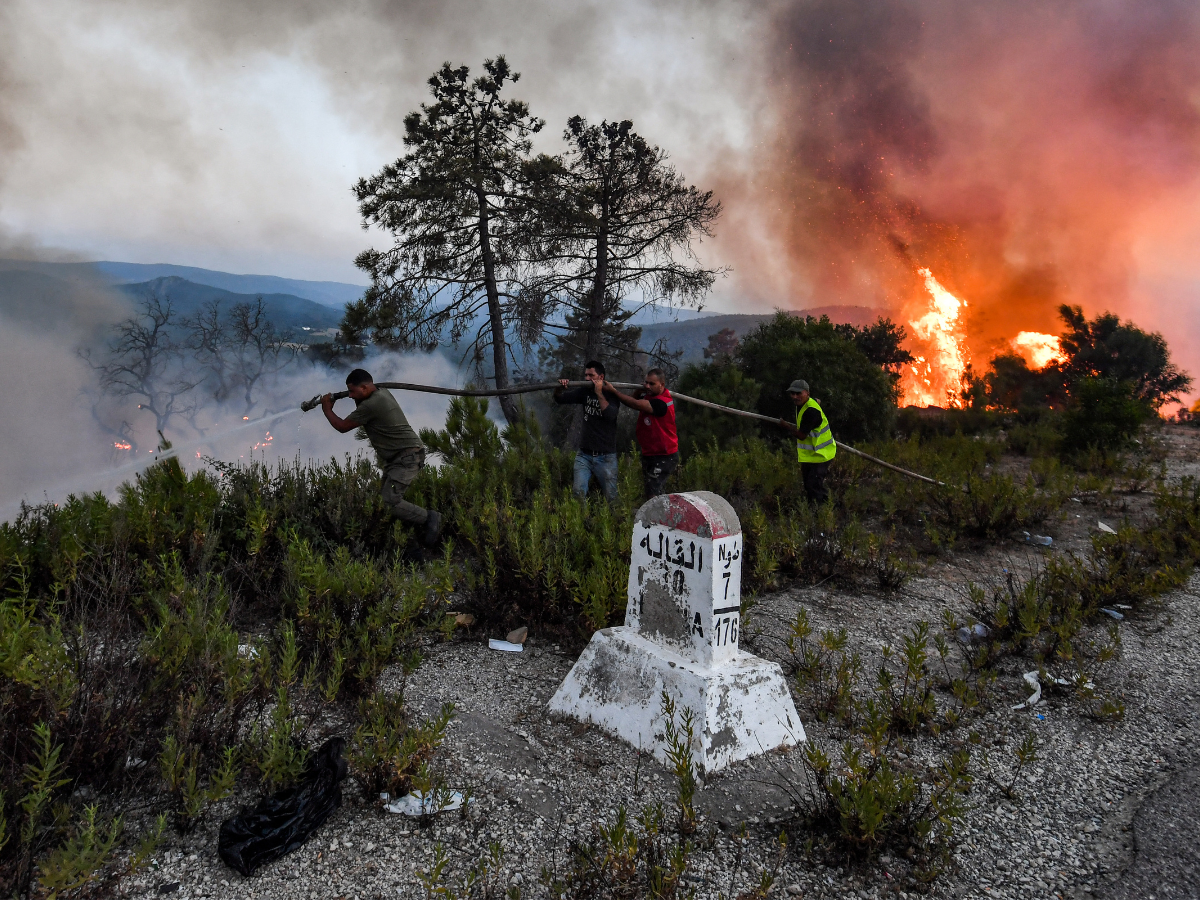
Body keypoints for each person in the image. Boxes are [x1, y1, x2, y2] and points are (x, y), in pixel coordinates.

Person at [320, 369, 443, 545]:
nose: (350, 396)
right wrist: (355, 396)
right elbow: (361, 406)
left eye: (353, 391)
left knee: (389, 502)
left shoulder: (372, 404)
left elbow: (342, 426)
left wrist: (327, 408)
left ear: (365, 387)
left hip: (407, 458)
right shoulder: (381, 392)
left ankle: (429, 518)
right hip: (399, 458)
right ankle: (405, 540)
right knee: (382, 502)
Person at [605, 368, 678, 497]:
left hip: (664, 455)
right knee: (651, 489)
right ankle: (659, 514)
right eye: (646, 383)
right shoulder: (649, 396)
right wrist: (639, 391)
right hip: (650, 453)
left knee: (654, 491)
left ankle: (659, 516)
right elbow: (633, 400)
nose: (647, 386)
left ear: (662, 385)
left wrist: (614, 391)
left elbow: (635, 404)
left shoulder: (662, 403)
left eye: (652, 384)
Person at [554, 360, 620, 501]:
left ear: (601, 377)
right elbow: (560, 399)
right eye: (586, 375)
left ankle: (616, 521)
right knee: (578, 493)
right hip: (584, 455)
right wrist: (559, 388)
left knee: (611, 498)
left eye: (591, 375)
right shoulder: (584, 392)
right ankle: (581, 521)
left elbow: (610, 414)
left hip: (606, 456)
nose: (587, 379)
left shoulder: (612, 394)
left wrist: (599, 393)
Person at [777, 378, 836, 505]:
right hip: (811, 455)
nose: (795, 396)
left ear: (807, 393)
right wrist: (817, 401)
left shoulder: (811, 411)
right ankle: (815, 509)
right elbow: (817, 401)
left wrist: (786, 426)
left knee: (814, 487)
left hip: (821, 454)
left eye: (798, 393)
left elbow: (802, 435)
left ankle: (822, 513)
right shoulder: (806, 403)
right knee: (809, 486)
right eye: (792, 393)